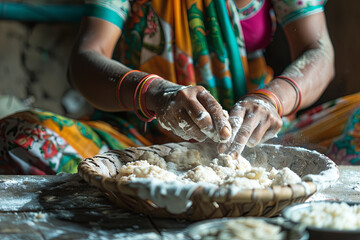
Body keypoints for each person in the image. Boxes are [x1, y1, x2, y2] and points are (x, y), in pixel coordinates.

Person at [0, 0, 335, 174]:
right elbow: (86, 59)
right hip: (138, 144)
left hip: (260, 138)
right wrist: (155, 94)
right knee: (19, 138)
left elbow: (318, 51)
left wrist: (272, 99)